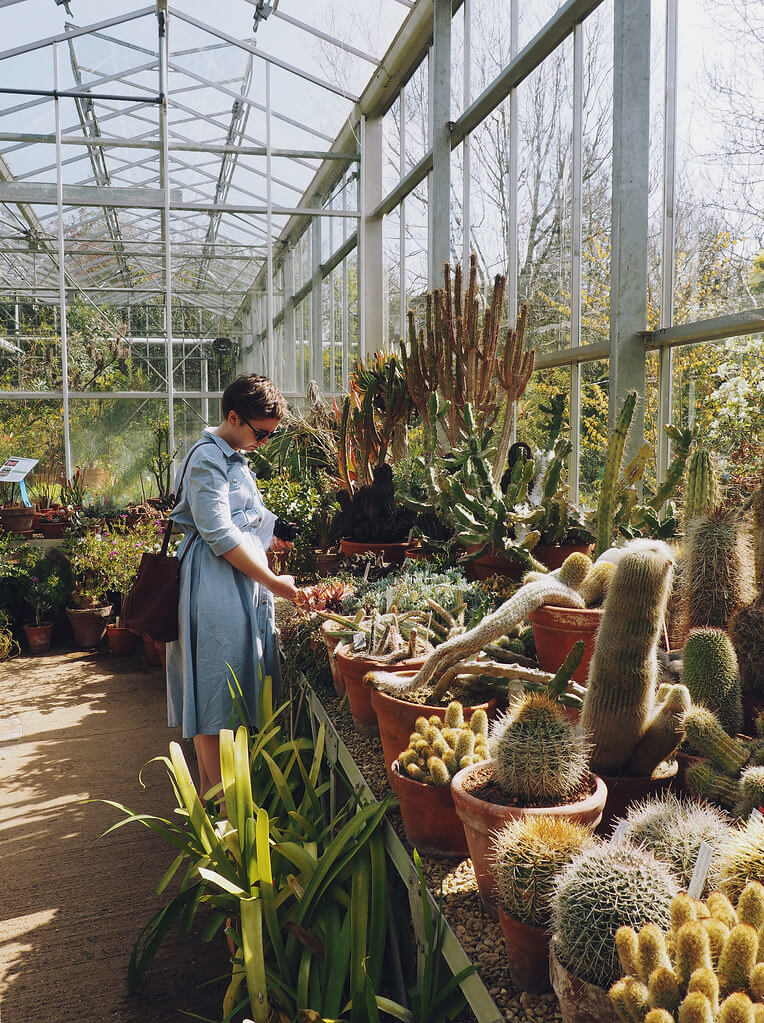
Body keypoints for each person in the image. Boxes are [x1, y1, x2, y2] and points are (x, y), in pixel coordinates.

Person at [165, 374, 299, 803]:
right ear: (233, 416)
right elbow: (219, 535)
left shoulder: (235, 456)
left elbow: (249, 517)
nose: (263, 442)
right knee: (214, 691)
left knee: (231, 685)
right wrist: (275, 583)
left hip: (237, 585)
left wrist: (277, 531)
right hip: (214, 586)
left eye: (269, 436)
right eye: (260, 433)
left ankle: (222, 801)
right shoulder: (207, 458)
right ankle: (218, 800)